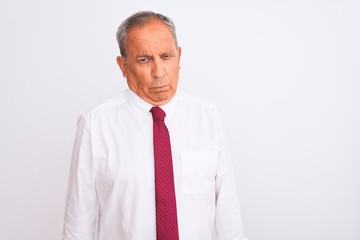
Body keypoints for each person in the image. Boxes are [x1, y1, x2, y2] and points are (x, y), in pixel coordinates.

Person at [63, 11, 248, 240]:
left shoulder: (207, 116)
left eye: (166, 56)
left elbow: (228, 214)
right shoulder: (95, 124)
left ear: (179, 57)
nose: (159, 72)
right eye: (144, 60)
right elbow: (79, 222)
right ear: (123, 65)